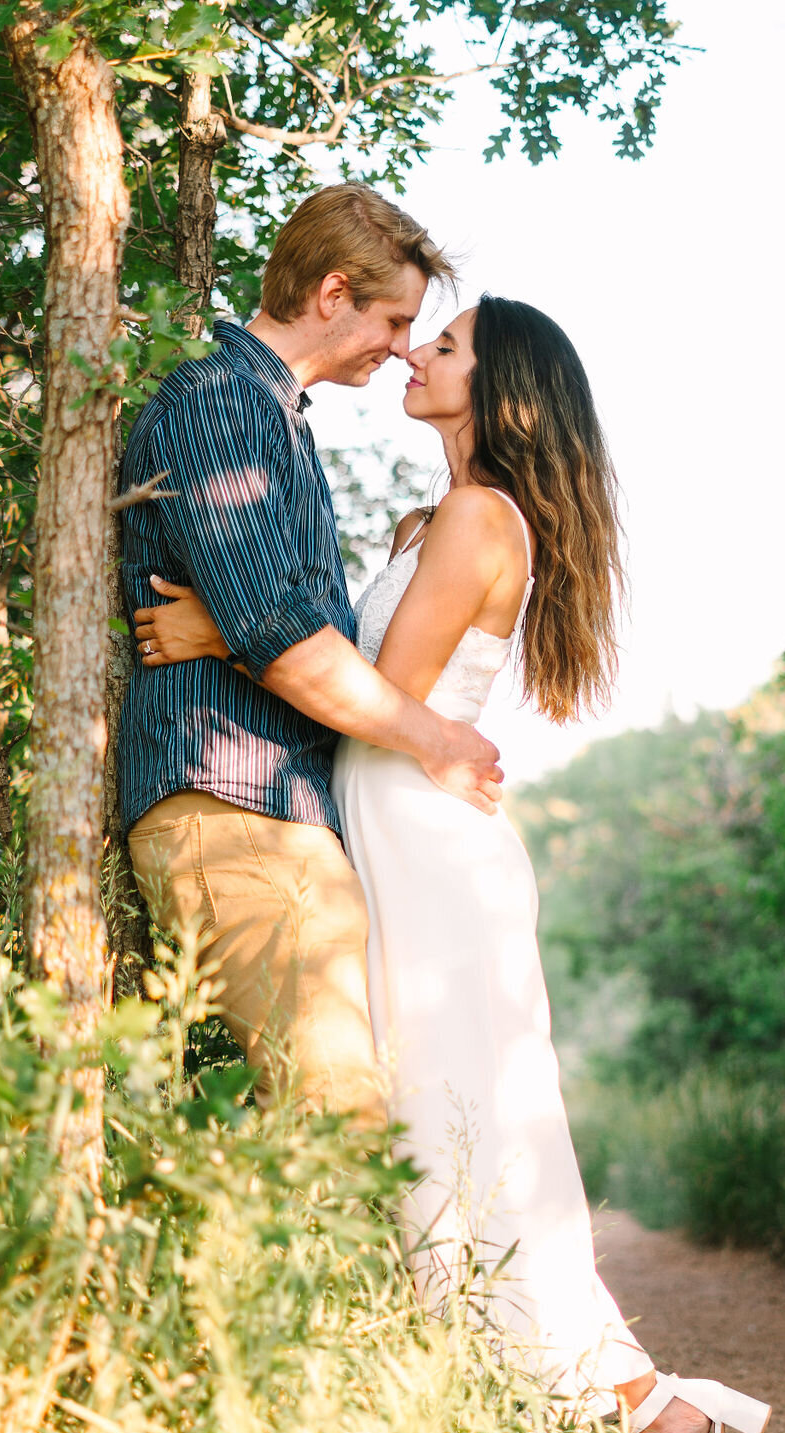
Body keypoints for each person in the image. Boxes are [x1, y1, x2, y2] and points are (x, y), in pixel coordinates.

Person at [133, 296, 770, 1433]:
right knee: (435, 1143)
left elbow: (391, 692)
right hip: (387, 827)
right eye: (420, 335)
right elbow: (366, 679)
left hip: (428, 848)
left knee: (465, 1145)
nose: (418, 351)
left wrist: (227, 628)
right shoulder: (437, 517)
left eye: (448, 344)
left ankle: (638, 1403)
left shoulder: (481, 517)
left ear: (500, 389)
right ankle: (578, 1416)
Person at [119, 183, 502, 1126]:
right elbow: (283, 643)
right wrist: (436, 739)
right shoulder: (224, 400)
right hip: (234, 812)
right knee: (338, 1130)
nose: (404, 345)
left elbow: (273, 625)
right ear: (334, 294)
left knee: (334, 1123)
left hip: (274, 817)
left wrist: (234, 633)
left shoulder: (272, 413)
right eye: (396, 318)